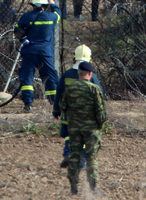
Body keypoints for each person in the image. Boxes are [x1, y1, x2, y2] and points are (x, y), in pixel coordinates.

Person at [53, 45, 104, 168]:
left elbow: (59, 94)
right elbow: (100, 94)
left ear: (74, 57)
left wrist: (56, 111)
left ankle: (68, 154)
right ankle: (81, 160)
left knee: (68, 136)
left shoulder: (66, 75)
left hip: (68, 116)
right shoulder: (92, 77)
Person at [59, 61, 106, 195]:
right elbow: (101, 112)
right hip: (91, 130)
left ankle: (73, 186)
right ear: (90, 74)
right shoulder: (94, 89)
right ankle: (93, 187)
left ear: (79, 74)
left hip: (74, 129)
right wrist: (100, 125)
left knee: (75, 156)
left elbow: (63, 107)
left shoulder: (70, 88)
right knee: (91, 158)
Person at [14, 0, 60, 113]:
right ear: (46, 5)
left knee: (27, 77)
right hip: (45, 53)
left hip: (29, 52)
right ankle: (54, 102)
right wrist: (53, 4)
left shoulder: (26, 16)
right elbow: (58, 14)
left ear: (33, 4)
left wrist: (23, 39)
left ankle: (28, 104)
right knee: (50, 77)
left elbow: (17, 30)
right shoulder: (51, 17)